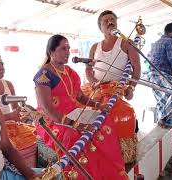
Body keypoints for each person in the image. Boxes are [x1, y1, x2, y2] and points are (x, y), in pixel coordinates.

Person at [34, 34, 128, 179]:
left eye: (69, 48)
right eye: (63, 48)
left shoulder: (70, 72)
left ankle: (107, 172)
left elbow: (80, 97)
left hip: (74, 112)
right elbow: (47, 109)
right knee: (74, 136)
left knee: (104, 121)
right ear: (51, 52)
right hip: (51, 120)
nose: (67, 52)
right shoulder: (43, 75)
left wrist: (98, 105)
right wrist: (75, 124)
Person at [83, 10, 141, 164]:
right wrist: (94, 82)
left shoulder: (126, 43)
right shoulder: (95, 47)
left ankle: (115, 154)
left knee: (123, 115)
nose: (110, 22)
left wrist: (132, 87)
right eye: (106, 21)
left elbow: (137, 68)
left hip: (116, 89)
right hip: (96, 88)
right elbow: (88, 70)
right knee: (81, 113)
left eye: (112, 19)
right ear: (100, 27)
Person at [0, 54, 37, 167]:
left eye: (2, 64)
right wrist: (10, 116)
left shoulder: (8, 84)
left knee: (36, 137)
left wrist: (22, 115)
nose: (2, 67)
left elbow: (15, 109)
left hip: (13, 125)